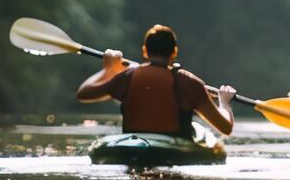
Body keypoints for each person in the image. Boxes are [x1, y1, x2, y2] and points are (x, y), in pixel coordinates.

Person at [75, 24, 237, 137]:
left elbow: (84, 93)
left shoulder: (128, 77)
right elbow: (225, 128)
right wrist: (224, 102)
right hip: (173, 151)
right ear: (174, 52)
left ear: (145, 51)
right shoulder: (189, 83)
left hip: (134, 145)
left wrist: (108, 70)